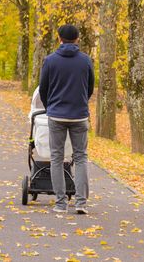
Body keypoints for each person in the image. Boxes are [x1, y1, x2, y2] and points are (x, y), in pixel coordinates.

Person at [39, 25, 95, 214]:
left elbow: (43, 89)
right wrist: (80, 104)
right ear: (77, 39)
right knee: (80, 158)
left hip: (56, 115)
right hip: (79, 115)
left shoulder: (50, 61)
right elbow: (90, 87)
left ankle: (61, 203)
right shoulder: (86, 61)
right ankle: (81, 203)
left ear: (59, 38)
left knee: (56, 157)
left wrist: (50, 107)